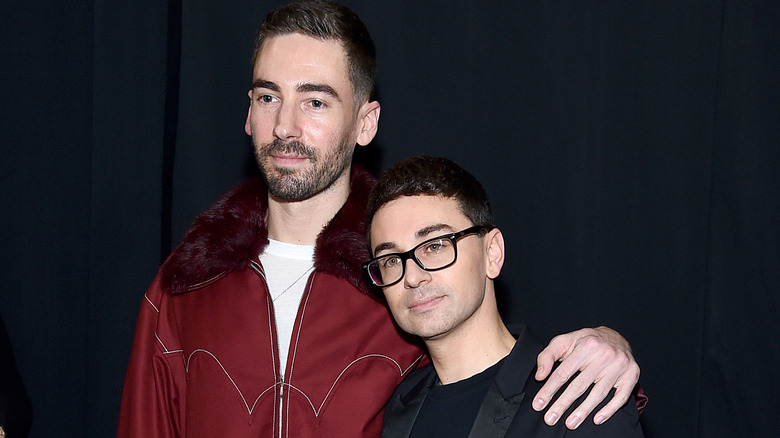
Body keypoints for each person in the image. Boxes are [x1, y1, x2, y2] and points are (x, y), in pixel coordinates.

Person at [118, 1, 642, 437]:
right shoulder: (184, 287)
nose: (285, 125)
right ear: (249, 113)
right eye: (268, 96)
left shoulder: (405, 279)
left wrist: (607, 347)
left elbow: (499, 378)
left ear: (365, 123)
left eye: (316, 101)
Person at [364, 156, 644, 437]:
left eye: (435, 246)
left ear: (492, 253)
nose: (412, 277)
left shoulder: (579, 399)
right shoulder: (394, 407)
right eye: (390, 260)